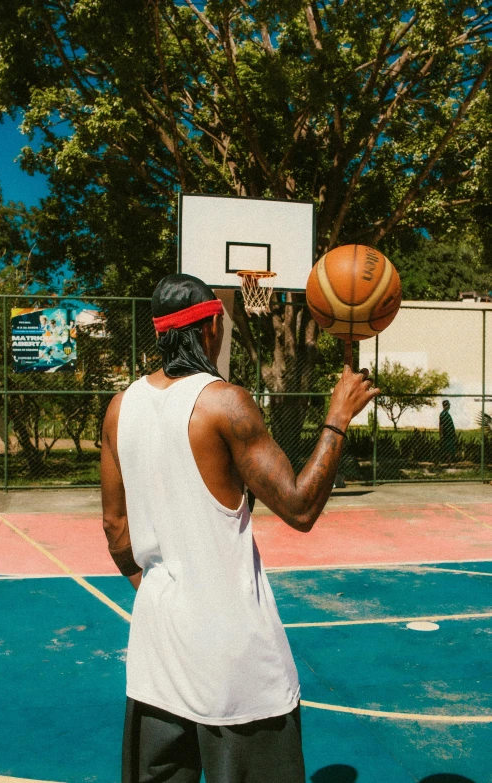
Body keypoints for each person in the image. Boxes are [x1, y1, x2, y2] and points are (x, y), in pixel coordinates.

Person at [101, 273, 378, 783]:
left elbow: (116, 530)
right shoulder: (224, 402)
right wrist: (337, 418)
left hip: (155, 651)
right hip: (235, 661)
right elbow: (299, 507)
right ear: (210, 327)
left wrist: (168, 591)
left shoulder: (120, 409)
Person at [439, 399, 457, 463]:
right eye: (447, 405)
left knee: (450, 448)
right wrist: (441, 434)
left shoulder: (446, 414)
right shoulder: (443, 414)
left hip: (450, 434)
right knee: (448, 448)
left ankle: (449, 461)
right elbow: (441, 425)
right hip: (446, 434)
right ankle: (448, 461)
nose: (449, 406)